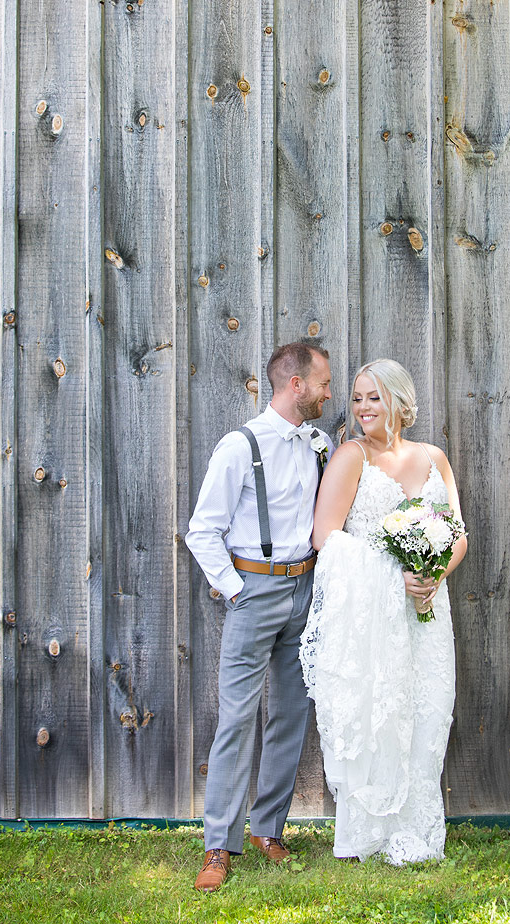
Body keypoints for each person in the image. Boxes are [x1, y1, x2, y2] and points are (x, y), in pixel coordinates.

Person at [299, 358, 467, 864]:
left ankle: (417, 826)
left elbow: (457, 534)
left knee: (426, 710)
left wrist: (434, 574)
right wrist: (391, 576)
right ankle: (369, 830)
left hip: (428, 612)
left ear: (398, 399)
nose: (363, 407)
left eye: (374, 397)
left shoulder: (434, 458)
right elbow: (325, 536)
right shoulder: (351, 457)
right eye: (356, 397)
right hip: (374, 615)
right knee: (381, 713)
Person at [186, 342, 334, 891]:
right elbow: (202, 530)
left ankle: (267, 830)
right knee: (236, 720)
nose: (327, 392)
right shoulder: (239, 445)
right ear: (295, 385)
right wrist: (234, 590)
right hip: (255, 593)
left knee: (291, 716)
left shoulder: (320, 443)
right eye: (322, 382)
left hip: (306, 593)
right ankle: (218, 845)